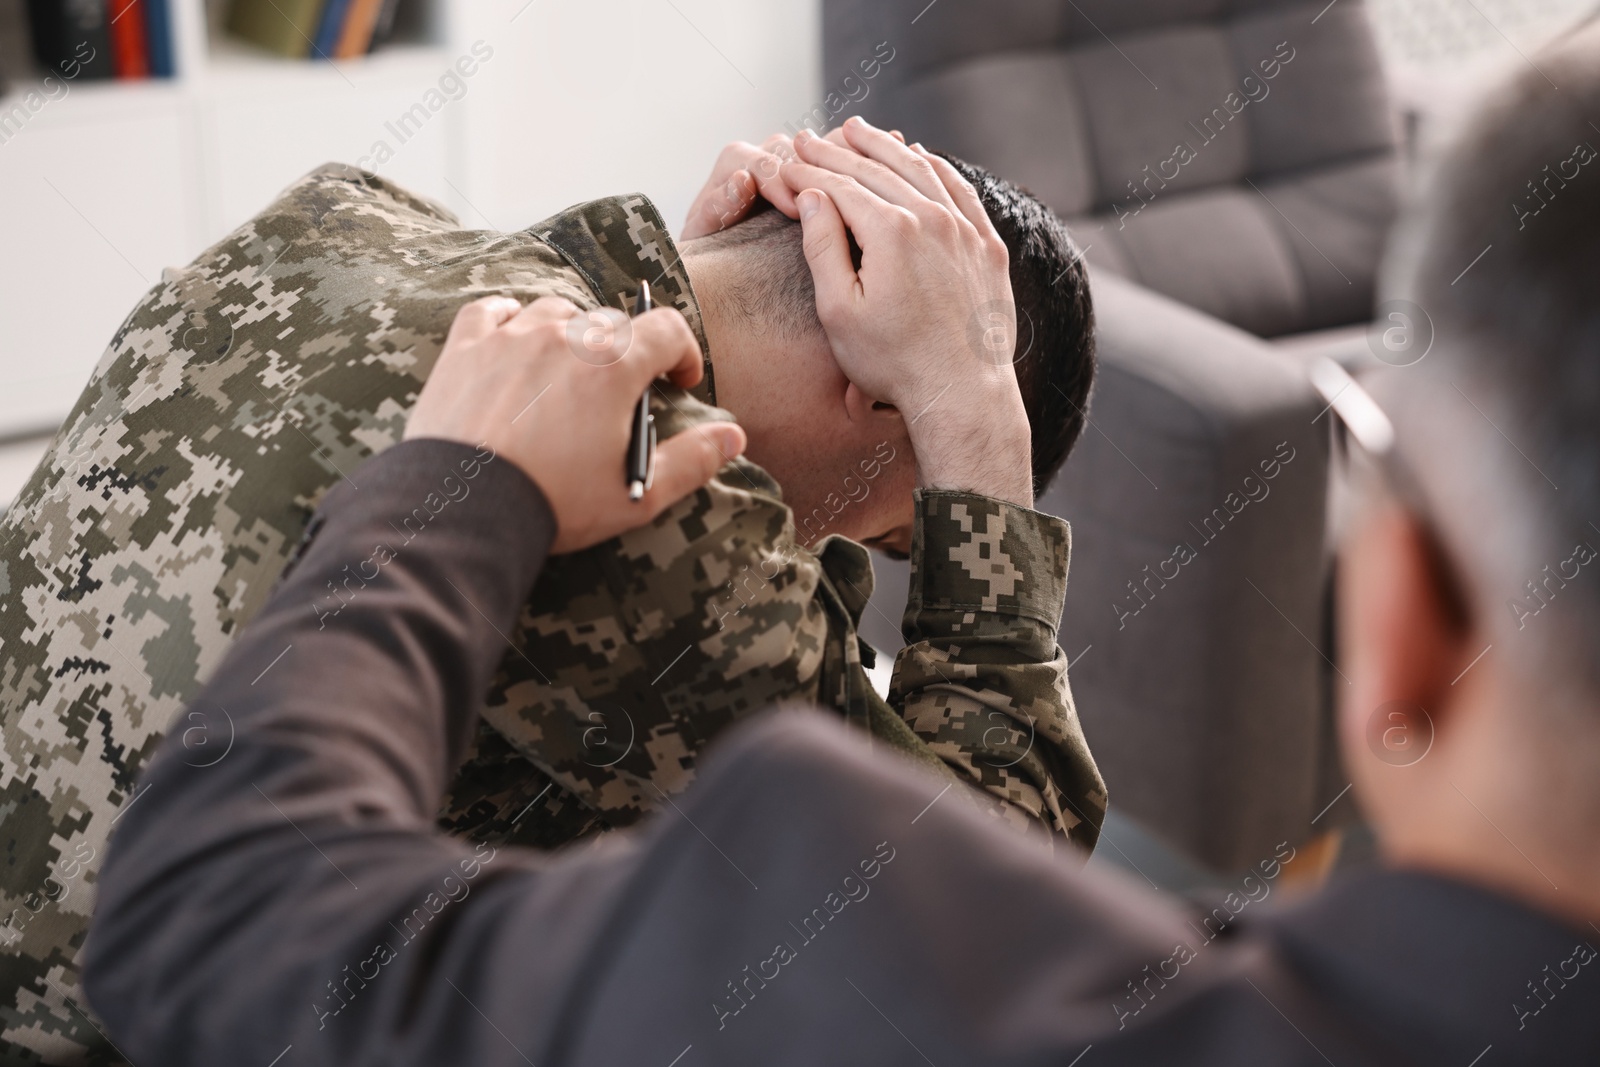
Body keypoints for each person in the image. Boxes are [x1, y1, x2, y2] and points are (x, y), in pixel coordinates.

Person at [82, 25, 1600, 1066]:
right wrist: (975, 452)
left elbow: (211, 895)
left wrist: (468, 477)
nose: (836, 578)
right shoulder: (729, 635)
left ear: (1404, 617)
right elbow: (981, 851)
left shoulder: (334, 213)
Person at [0, 118, 1100, 1061]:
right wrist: (977, 430)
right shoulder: (656, 507)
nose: (858, 549)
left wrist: (699, 285)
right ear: (879, 392)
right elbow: (975, 933)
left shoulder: (353, 214)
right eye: (905, 528)